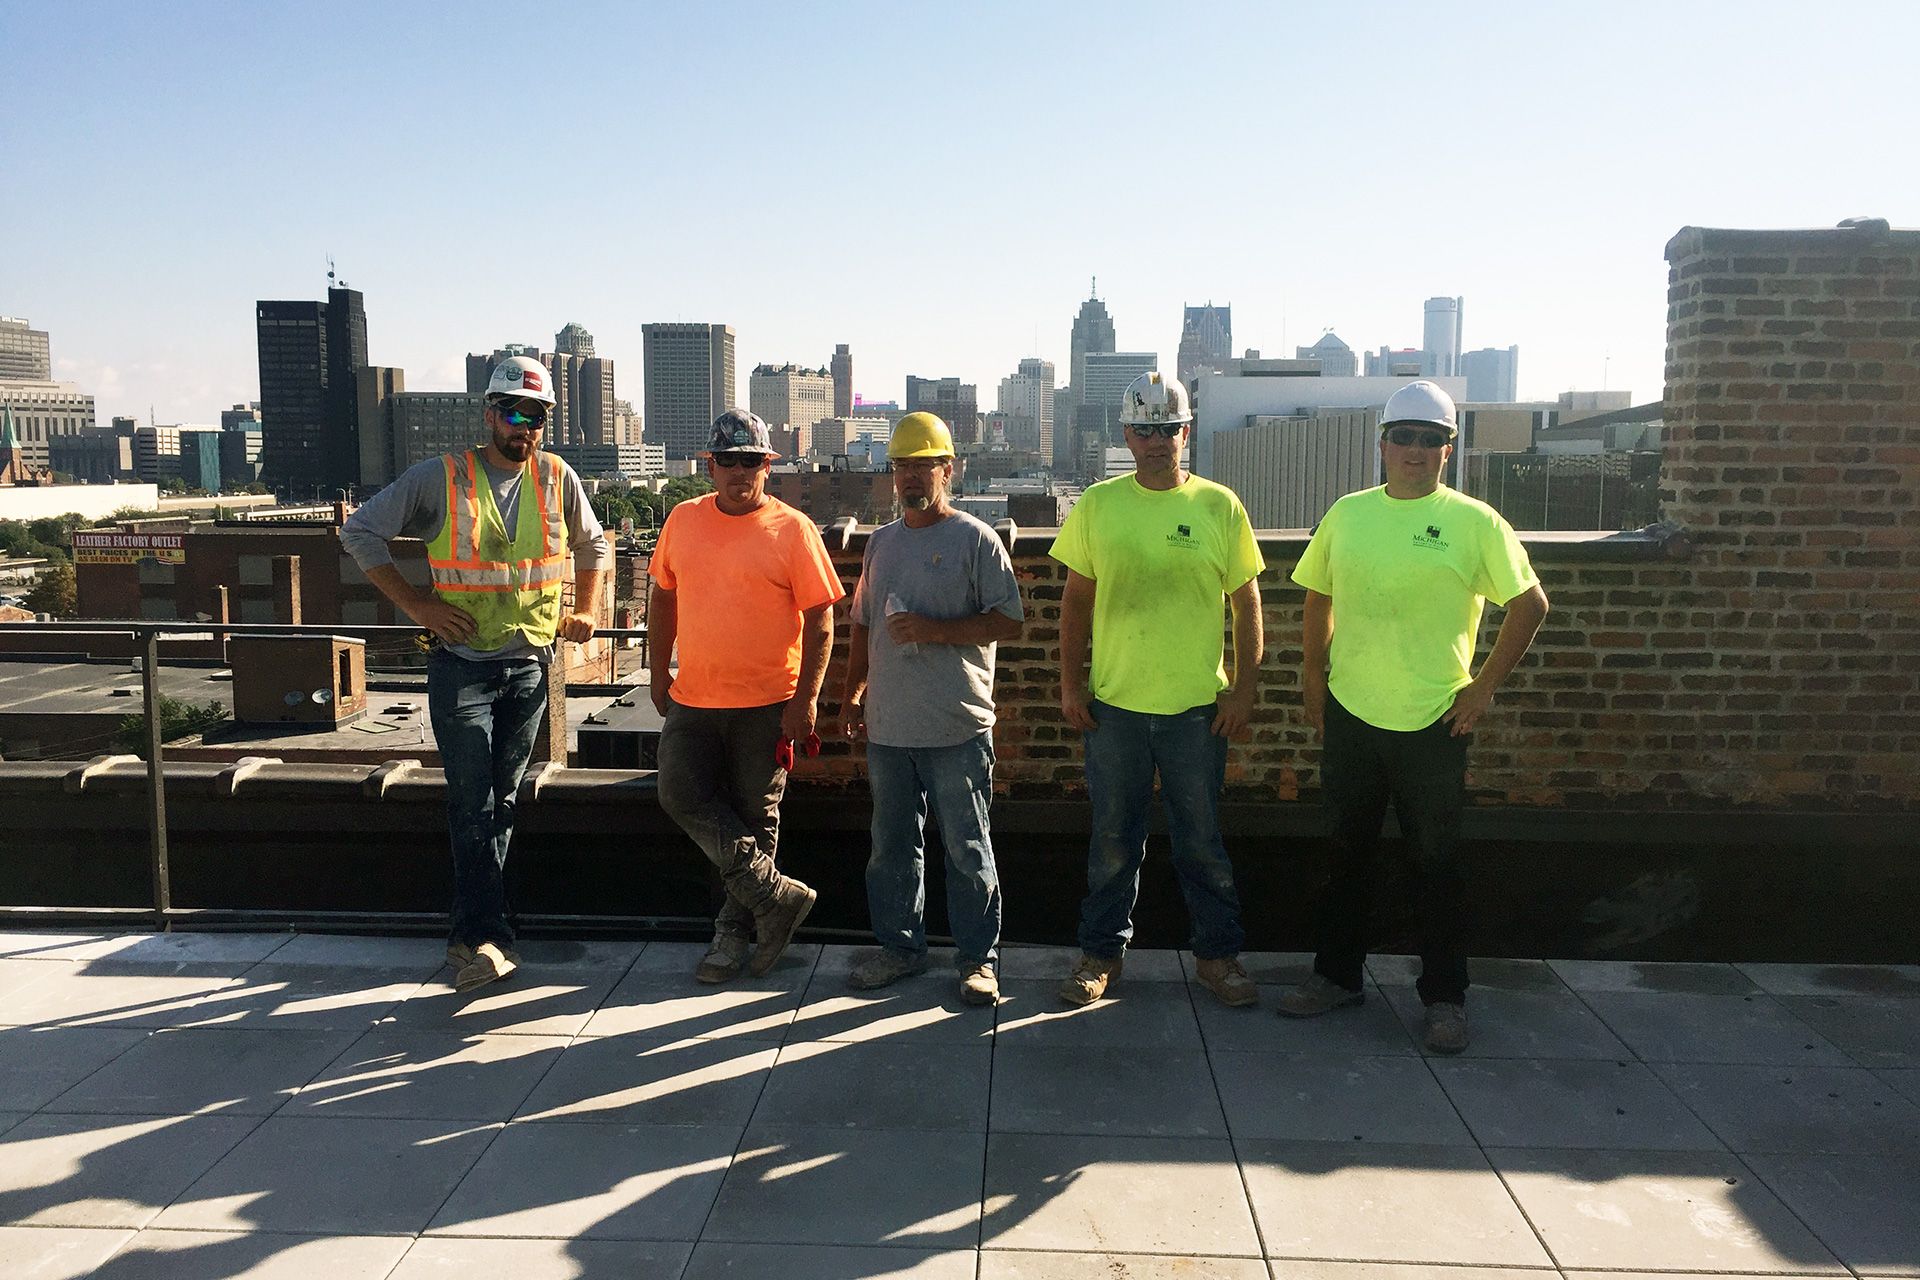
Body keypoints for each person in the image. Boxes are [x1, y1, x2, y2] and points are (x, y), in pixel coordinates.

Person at [1277, 380, 1549, 1053]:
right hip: (1352, 713)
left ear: (1448, 450)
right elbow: (1317, 598)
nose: (1416, 451)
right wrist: (1314, 677)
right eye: (1405, 437)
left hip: (1434, 722)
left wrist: (1482, 688)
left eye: (1431, 440)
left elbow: (1531, 604)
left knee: (1437, 863)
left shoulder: (1475, 522)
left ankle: (1445, 997)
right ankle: (1336, 977)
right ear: (1383, 444)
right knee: (1346, 856)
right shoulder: (1348, 513)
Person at [342, 355, 608, 992]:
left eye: (538, 415)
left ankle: (476, 937)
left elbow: (594, 544)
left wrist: (590, 608)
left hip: (529, 665)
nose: (526, 427)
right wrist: (420, 606)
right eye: (515, 413)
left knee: (504, 800)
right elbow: (360, 532)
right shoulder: (443, 477)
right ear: (490, 413)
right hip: (462, 668)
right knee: (472, 802)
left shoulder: (556, 475)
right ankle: (487, 938)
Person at [1051, 371, 1265, 1008]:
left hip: (1197, 711)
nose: (1155, 441)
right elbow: (1075, 603)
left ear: (1185, 432)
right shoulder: (1098, 504)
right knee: (1113, 841)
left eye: (1167, 429)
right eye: (1144, 429)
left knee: (1201, 841)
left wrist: (1244, 688)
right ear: (1126, 434)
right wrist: (1070, 684)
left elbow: (1247, 602)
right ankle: (1100, 955)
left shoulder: (1219, 506)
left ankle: (1219, 958)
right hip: (1114, 707)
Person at [649, 409, 843, 983]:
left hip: (767, 702)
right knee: (678, 794)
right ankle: (775, 896)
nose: (740, 472)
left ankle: (731, 936)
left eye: (751, 461)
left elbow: (822, 621)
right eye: (728, 461)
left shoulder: (793, 529)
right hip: (694, 698)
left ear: (767, 466)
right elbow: (663, 599)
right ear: (710, 466)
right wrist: (659, 674)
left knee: (757, 817)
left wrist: (805, 701)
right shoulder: (682, 520)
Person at [839, 413, 1023, 1006]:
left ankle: (977, 960)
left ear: (949, 468)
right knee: (892, 846)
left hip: (957, 727)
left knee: (968, 848)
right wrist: (852, 695)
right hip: (889, 728)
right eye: (901, 465)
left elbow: (1007, 621)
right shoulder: (882, 543)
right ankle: (900, 948)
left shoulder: (976, 539)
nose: (912, 476)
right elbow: (863, 626)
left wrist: (936, 631)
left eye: (924, 464)